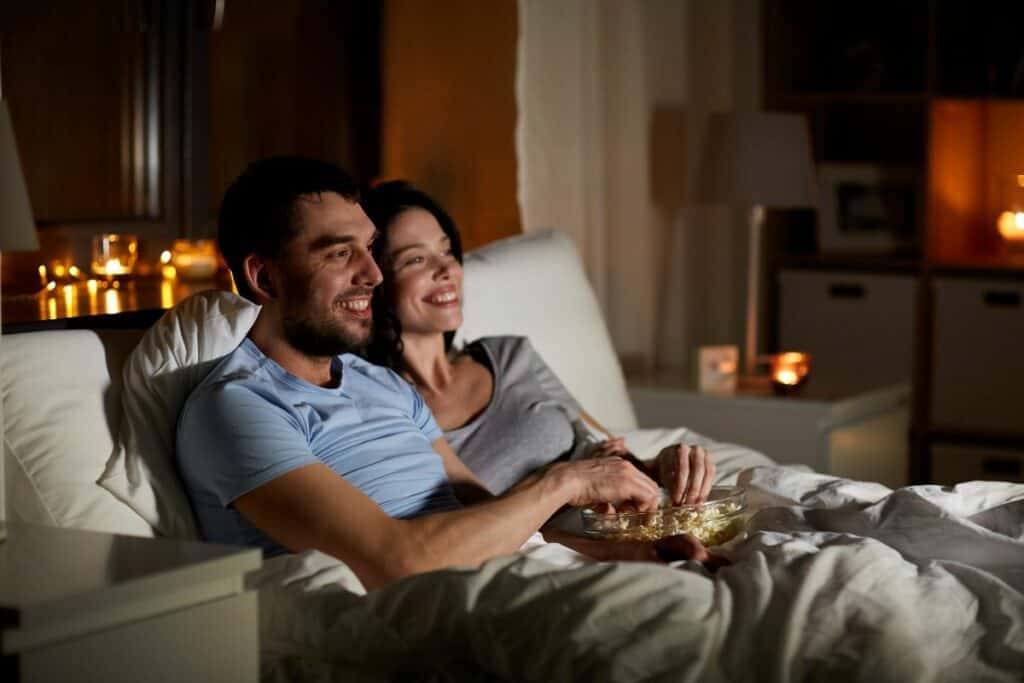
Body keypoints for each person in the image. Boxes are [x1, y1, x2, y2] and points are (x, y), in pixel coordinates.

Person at [175, 156, 714, 591]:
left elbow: (495, 519)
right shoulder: (238, 407)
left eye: (368, 249)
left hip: (507, 577)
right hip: (421, 609)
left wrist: (629, 554)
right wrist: (566, 480)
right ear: (263, 276)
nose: (372, 273)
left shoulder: (380, 385)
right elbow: (396, 560)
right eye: (341, 254)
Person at [362, 180, 716, 505]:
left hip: (621, 521)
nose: (446, 271)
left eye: (447, 251)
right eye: (416, 259)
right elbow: (461, 523)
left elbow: (607, 448)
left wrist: (666, 464)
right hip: (546, 552)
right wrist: (567, 481)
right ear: (374, 283)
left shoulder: (509, 353)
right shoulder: (389, 409)